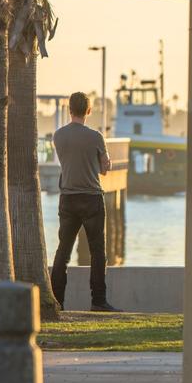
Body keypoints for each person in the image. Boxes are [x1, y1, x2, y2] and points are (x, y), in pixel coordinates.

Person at [51, 91, 121, 312]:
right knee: (97, 251)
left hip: (68, 199)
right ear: (88, 110)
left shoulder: (58, 136)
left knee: (63, 251)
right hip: (91, 199)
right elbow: (104, 169)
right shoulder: (96, 137)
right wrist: (106, 162)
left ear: (70, 109)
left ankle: (57, 301)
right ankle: (98, 301)